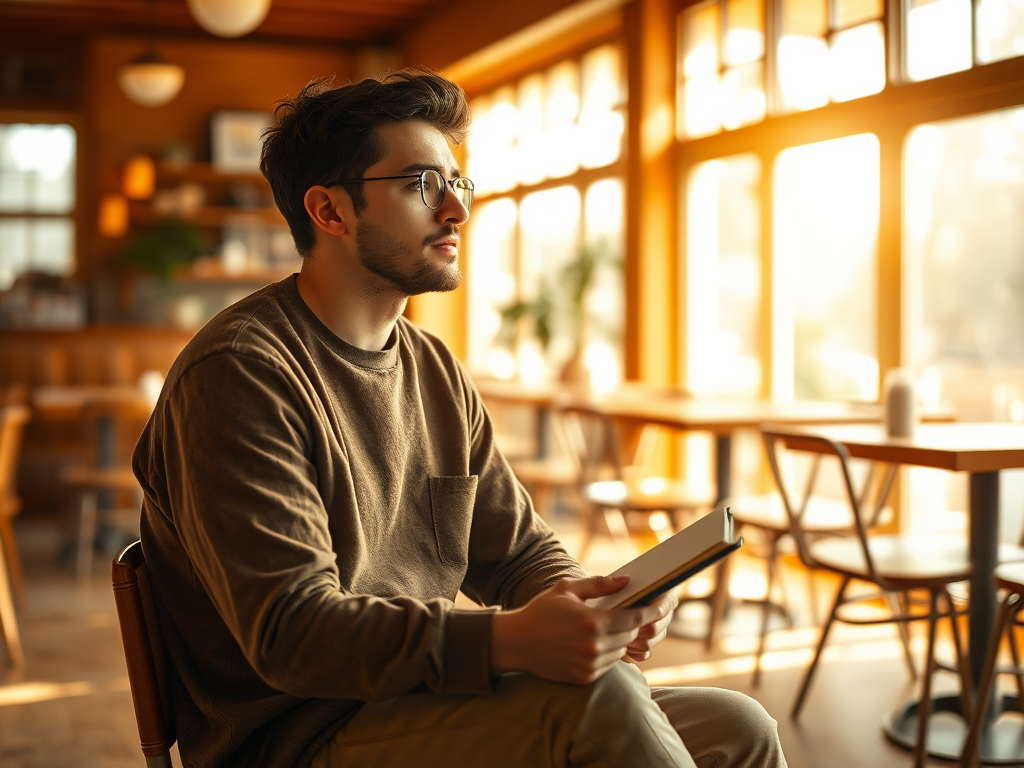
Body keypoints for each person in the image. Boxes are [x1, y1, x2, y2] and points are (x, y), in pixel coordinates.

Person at [132, 69, 788, 768]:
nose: (457, 210)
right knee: (598, 704)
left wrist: (586, 606)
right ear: (330, 211)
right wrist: (510, 641)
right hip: (300, 737)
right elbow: (291, 632)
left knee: (736, 725)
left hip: (419, 701)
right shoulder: (240, 372)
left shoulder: (431, 367)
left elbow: (518, 551)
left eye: (456, 183)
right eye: (420, 184)